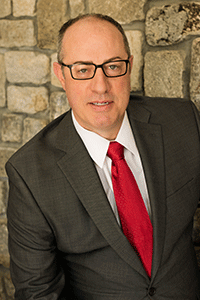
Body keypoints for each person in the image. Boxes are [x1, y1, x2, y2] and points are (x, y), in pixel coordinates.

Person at [6, 13, 200, 299]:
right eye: (83, 70)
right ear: (60, 74)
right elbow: (37, 291)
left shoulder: (184, 123)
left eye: (112, 66)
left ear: (129, 66)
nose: (101, 86)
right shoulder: (30, 173)